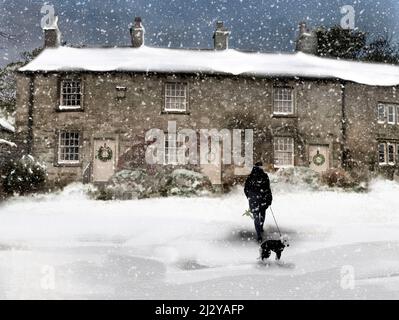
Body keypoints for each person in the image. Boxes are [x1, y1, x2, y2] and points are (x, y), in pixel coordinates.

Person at [244, 161, 273, 243]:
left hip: (253, 200)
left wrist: (249, 196)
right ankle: (260, 227)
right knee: (262, 213)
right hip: (262, 199)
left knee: (256, 216)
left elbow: (246, 189)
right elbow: (268, 189)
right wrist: (269, 198)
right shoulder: (264, 176)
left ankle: (258, 234)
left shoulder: (250, 177)